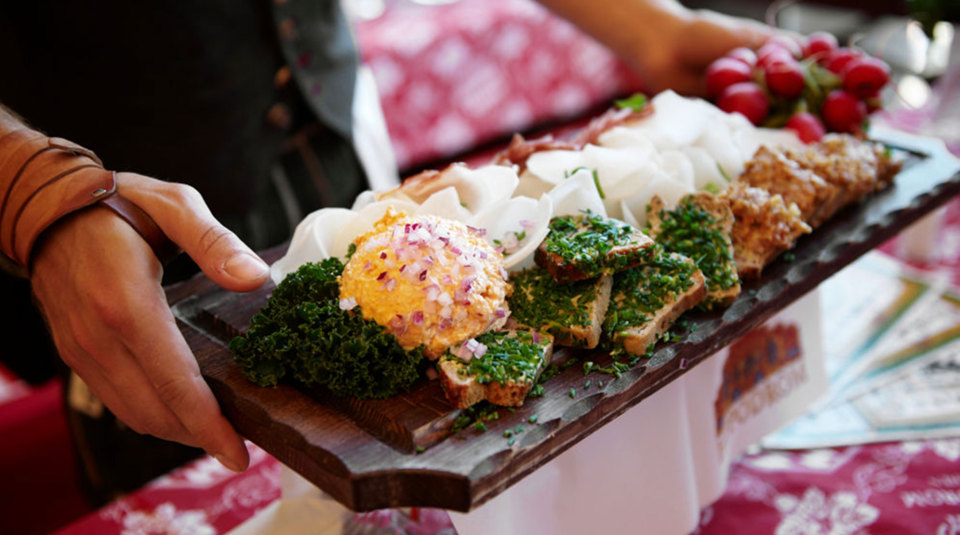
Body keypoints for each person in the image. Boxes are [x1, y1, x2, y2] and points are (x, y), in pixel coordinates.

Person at [0, 0, 774, 504]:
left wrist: (647, 26)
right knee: (187, 462)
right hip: (115, 226)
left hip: (338, 146)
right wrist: (30, 187)